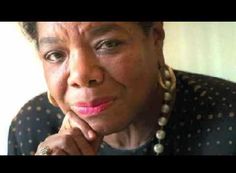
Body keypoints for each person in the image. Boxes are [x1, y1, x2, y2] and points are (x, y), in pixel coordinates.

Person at [8, 22, 236, 155]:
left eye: (108, 44)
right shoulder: (33, 127)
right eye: (55, 55)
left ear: (156, 39)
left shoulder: (228, 120)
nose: (81, 76)